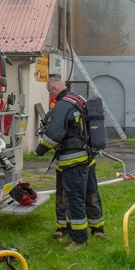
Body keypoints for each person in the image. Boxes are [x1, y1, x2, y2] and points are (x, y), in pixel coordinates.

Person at [37, 76, 93, 251]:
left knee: (74, 199)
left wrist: (39, 150)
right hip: (84, 156)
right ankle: (72, 234)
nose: (52, 97)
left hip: (72, 160)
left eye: (50, 93)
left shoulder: (63, 105)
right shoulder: (78, 100)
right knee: (74, 197)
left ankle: (80, 239)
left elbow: (54, 134)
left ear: (54, 88)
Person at [53, 158, 105, 241]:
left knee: (91, 195)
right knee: (63, 197)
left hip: (87, 164)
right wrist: (40, 150)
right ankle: (63, 227)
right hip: (63, 165)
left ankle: (97, 228)